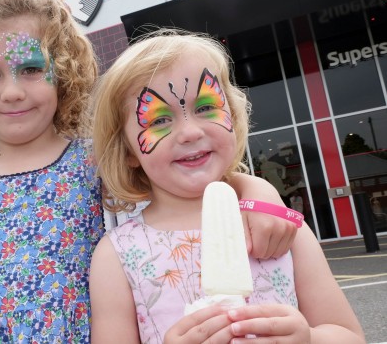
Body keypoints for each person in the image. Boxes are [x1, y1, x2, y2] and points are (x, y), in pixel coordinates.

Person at [0, 0, 299, 342]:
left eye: (33, 69)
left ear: (63, 71)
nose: (12, 90)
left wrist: (260, 194)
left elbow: (192, 182)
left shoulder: (96, 159)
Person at [89, 29, 365, 344]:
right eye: (158, 120)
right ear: (127, 152)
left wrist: (309, 338)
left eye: (205, 107)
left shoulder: (279, 226)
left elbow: (350, 336)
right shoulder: (115, 255)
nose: (190, 132)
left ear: (232, 116)